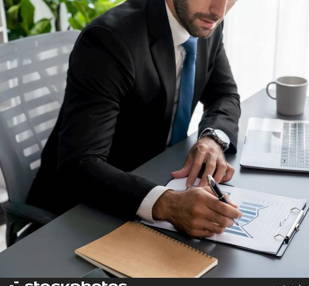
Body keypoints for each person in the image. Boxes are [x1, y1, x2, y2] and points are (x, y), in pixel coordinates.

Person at [28, 0, 242, 238]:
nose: (219, 11)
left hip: (157, 178)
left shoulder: (204, 22)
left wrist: (213, 138)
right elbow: (80, 165)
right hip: (81, 212)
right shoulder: (108, 40)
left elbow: (224, 94)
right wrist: (168, 204)